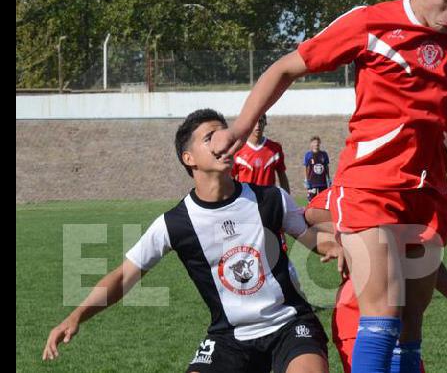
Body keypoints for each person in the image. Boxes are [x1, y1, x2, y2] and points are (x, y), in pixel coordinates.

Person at [210, 0, 447, 372]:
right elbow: (286, 67)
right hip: (370, 182)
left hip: (430, 189)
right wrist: (242, 126)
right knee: (382, 315)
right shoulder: (371, 22)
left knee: (411, 329)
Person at [43, 109, 339, 372]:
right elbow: (123, 277)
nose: (224, 141)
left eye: (225, 134)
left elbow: (313, 239)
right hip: (228, 336)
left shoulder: (271, 199)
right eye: (210, 137)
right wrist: (76, 316)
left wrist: (339, 246)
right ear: (189, 158)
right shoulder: (174, 224)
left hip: (290, 324)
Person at [304, 189, 447, 372]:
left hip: (402, 322)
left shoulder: (410, 195)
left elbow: (425, 262)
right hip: (359, 318)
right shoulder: (359, 186)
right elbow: (311, 214)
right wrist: (338, 240)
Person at [231, 113, 291, 193]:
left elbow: (282, 175)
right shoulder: (238, 149)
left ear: (265, 122)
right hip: (246, 200)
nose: (258, 125)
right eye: (254, 121)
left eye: (260, 121)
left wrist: (287, 199)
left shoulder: (275, 148)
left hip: (268, 199)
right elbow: (230, 177)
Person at [304, 136, 331, 202]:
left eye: (317, 142)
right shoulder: (308, 155)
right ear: (311, 144)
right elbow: (306, 168)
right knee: (311, 201)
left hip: (323, 182)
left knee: (323, 200)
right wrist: (306, 179)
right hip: (312, 182)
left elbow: (326, 167)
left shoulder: (324, 154)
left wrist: (328, 178)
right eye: (314, 142)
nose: (316, 144)